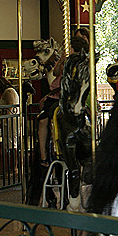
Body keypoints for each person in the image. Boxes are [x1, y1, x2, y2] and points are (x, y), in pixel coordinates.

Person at [37, 28, 90, 166]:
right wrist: (61, 61)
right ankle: (44, 155)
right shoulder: (67, 60)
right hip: (57, 96)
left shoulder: (85, 62)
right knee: (44, 120)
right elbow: (55, 73)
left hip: (75, 97)